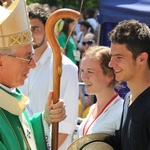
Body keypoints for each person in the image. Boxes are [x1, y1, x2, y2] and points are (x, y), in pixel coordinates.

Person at [0, 0, 66, 150]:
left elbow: (23, 135)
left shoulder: (10, 96)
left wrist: (45, 119)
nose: (33, 64)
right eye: (27, 58)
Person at [19, 3, 79, 150]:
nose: (30, 34)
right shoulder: (19, 65)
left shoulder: (65, 68)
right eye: (27, 29)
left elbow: (65, 127)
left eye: (35, 29)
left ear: (48, 30)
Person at [106, 19, 150, 150]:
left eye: (119, 58)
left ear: (142, 58)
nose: (111, 64)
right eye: (111, 57)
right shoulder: (128, 99)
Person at [78, 46, 124, 137]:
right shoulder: (93, 108)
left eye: (90, 72)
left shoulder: (121, 112)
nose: (83, 77)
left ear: (109, 76)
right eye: (82, 71)